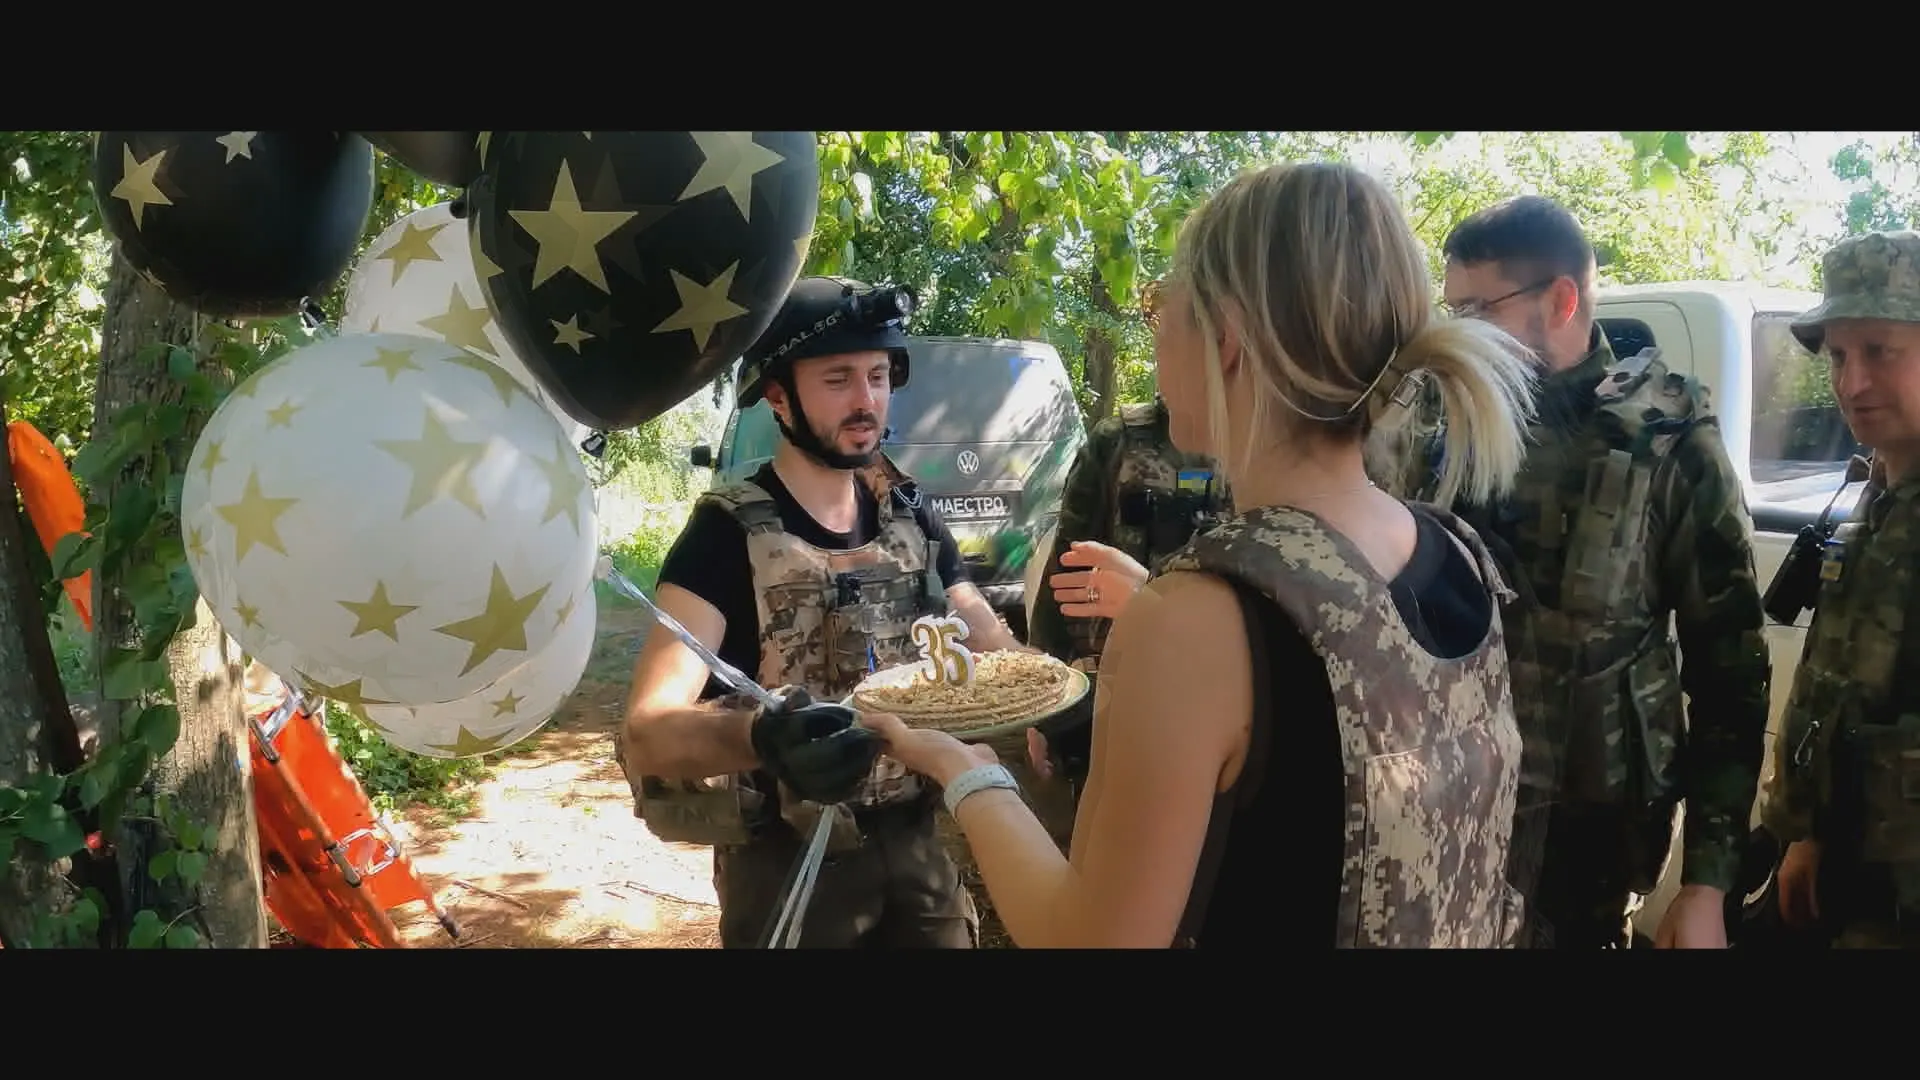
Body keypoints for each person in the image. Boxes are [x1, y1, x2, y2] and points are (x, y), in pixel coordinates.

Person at [863, 160, 1542, 948]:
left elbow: (1089, 940)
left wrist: (966, 770)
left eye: (1160, 306)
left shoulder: (1194, 618)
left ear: (1225, 339)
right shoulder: (1455, 554)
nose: (1154, 335)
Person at [616, 276, 1027, 949]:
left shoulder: (912, 514)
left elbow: (991, 642)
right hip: (789, 864)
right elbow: (647, 733)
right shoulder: (728, 533)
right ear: (778, 396)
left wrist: (1058, 692)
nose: (866, 401)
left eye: (877, 375)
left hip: (918, 843)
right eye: (838, 379)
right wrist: (762, 739)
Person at [1411, 195, 1770, 949]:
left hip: (1590, 850)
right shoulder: (1437, 434)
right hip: (1444, 825)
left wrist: (1706, 884)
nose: (1457, 338)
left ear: (1562, 299)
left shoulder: (1669, 443)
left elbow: (1731, 677)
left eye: (1477, 309)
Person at [1764, 230, 1920, 949]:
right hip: (1845, 878)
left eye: (1880, 352)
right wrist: (1807, 833)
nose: (1851, 383)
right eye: (1837, 356)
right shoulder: (1880, 493)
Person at [1025, 381, 1232, 796]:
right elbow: (1065, 571)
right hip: (1116, 696)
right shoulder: (1116, 441)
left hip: (1217, 694)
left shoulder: (1258, 448)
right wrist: (1040, 702)